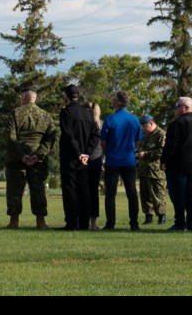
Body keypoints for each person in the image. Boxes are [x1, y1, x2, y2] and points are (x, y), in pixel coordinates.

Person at [5, 86, 58, 230]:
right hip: (38, 160)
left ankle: (14, 221)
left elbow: (11, 138)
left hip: (17, 158)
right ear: (35, 98)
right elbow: (51, 138)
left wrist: (22, 156)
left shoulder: (15, 113)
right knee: (38, 189)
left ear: (23, 97)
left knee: (15, 190)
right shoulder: (45, 115)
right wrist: (38, 155)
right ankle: (40, 221)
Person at [161, 96, 192, 231]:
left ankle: (180, 223)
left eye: (178, 106)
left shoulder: (177, 124)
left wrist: (164, 160)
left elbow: (170, 145)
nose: (176, 108)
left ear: (185, 108)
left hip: (177, 165)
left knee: (178, 195)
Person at [100, 90, 143, 231]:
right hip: (129, 160)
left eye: (113, 99)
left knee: (110, 194)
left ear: (118, 103)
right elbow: (138, 141)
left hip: (113, 160)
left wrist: (108, 152)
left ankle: (110, 223)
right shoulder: (135, 120)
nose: (111, 101)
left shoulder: (110, 119)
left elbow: (103, 141)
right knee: (132, 193)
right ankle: (134, 223)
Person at [58, 84, 100, 230]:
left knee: (70, 190)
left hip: (71, 156)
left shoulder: (66, 112)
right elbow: (95, 135)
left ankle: (71, 222)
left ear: (66, 96)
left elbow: (68, 135)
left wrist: (78, 153)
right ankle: (84, 223)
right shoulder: (88, 113)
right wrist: (86, 153)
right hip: (84, 159)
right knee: (84, 190)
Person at [136, 114, 167, 225]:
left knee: (157, 195)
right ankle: (148, 217)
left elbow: (162, 152)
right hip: (143, 170)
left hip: (155, 171)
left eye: (144, 126)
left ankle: (161, 216)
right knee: (145, 195)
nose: (143, 128)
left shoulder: (161, 134)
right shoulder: (145, 136)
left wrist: (146, 154)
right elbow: (140, 148)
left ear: (151, 123)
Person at [86, 101, 104, 230]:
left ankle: (82, 220)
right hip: (97, 158)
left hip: (84, 158)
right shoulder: (101, 124)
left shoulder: (83, 123)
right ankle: (92, 223)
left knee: (82, 191)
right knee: (93, 192)